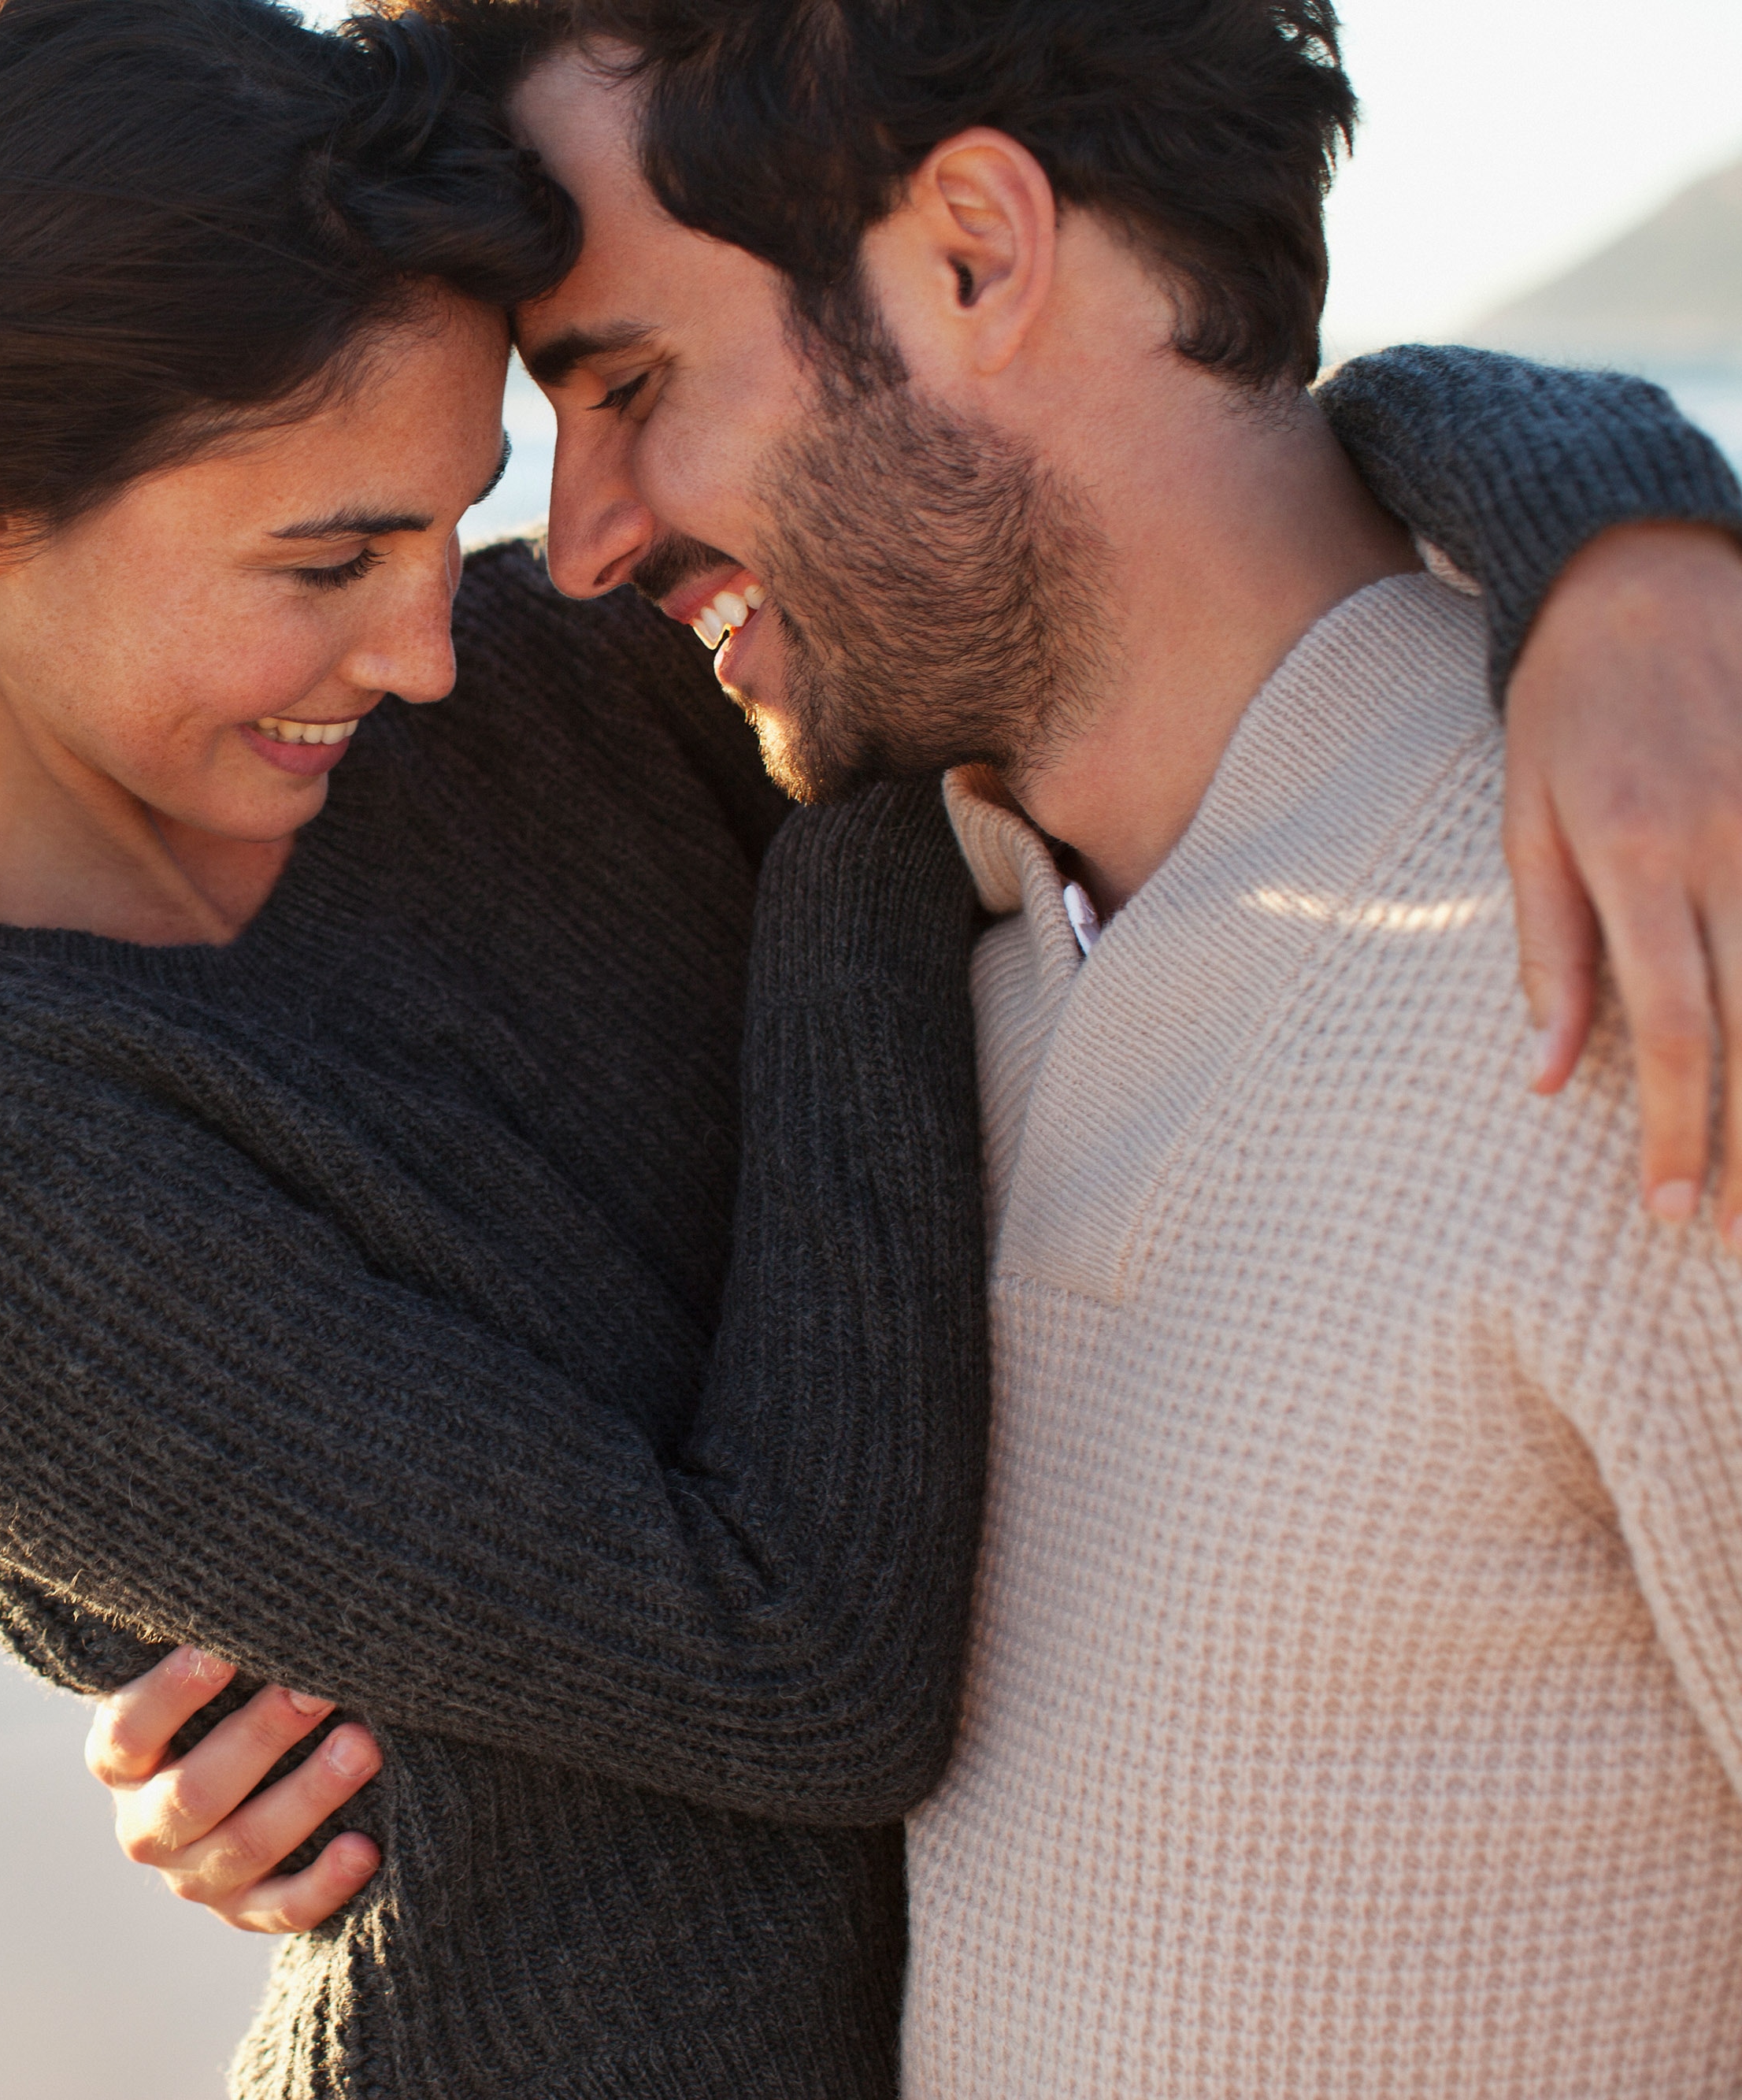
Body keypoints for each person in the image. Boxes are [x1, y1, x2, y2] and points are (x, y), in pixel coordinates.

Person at [0, 1, 1742, 2091]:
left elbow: (1205, 494)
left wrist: (1629, 536)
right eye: (329, 557)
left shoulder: (1611, 935)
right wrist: (862, 842)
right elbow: (770, 1654)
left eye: (576, 419)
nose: (488, 606)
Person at [404, 0, 1737, 2090]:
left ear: (974, 249)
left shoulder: (1652, 925)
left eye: (632, 384)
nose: (577, 541)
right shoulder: (907, 952)